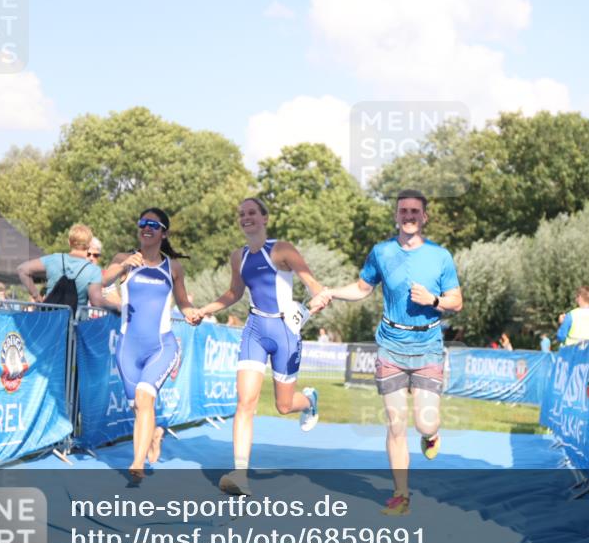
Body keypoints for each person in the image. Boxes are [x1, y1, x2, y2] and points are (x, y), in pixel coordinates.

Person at [312, 189, 462, 516]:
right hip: (391, 346)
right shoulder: (381, 252)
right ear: (396, 216)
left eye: (414, 212)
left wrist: (433, 301)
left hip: (427, 348)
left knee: (424, 423)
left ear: (424, 217)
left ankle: (431, 436)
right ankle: (401, 495)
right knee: (396, 424)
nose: (408, 216)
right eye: (403, 211)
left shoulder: (440, 256)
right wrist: (331, 293)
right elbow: (362, 289)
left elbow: (457, 302)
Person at [196, 197, 326, 496]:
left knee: (284, 406)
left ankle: (309, 401)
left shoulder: (282, 249)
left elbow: (314, 286)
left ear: (265, 218)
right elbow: (233, 293)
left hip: (285, 332)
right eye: (241, 214)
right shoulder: (238, 256)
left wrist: (314, 301)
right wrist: (205, 310)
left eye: (252, 213)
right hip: (254, 330)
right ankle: (241, 474)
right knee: (245, 402)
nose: (246, 218)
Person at [103, 208, 200, 480]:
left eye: (153, 225)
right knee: (138, 406)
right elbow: (99, 282)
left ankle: (137, 463)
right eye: (142, 223)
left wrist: (191, 313)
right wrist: (123, 267)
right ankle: (154, 434)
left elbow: (183, 303)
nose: (146, 228)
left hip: (161, 346)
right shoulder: (125, 259)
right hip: (127, 348)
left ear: (163, 233)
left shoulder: (173, 267)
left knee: (145, 399)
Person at [16, 224, 118, 313]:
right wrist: (118, 308)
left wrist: (37, 298)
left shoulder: (54, 259)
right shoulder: (93, 270)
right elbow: (96, 301)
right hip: (76, 325)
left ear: (69, 242)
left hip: (49, 321)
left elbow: (22, 269)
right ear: (89, 244)